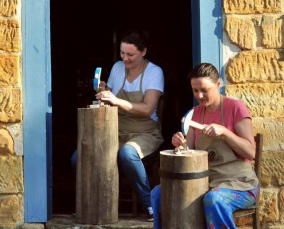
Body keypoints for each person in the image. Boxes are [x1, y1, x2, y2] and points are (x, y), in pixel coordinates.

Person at [151, 63, 259, 229]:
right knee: (159, 193)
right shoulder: (196, 113)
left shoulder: (235, 108)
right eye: (195, 90)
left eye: (204, 90)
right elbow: (190, 151)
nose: (199, 95)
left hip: (239, 184)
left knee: (213, 199)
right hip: (205, 182)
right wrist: (181, 145)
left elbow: (251, 152)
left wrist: (224, 132)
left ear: (218, 85)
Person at [95, 29, 164, 221]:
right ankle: (98, 202)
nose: (125, 58)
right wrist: (103, 92)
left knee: (127, 153)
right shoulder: (117, 68)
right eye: (123, 53)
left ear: (143, 52)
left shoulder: (154, 72)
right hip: (117, 130)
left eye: (130, 54)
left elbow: (147, 109)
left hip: (146, 132)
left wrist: (116, 101)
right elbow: (110, 98)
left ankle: (149, 204)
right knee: (80, 156)